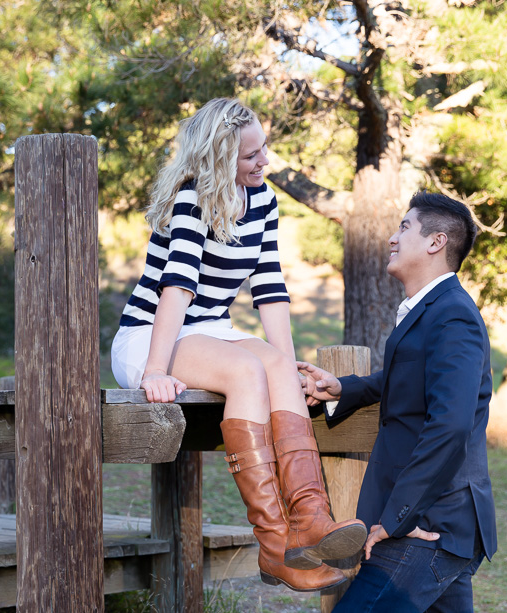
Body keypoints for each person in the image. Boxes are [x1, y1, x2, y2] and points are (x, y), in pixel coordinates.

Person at [110, 97, 367, 592]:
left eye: (264, 148)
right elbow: (177, 290)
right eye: (251, 155)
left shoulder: (263, 200)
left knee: (274, 364)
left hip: (209, 331)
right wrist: (155, 371)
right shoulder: (191, 199)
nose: (264, 160)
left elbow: (269, 286)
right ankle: (274, 546)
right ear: (219, 158)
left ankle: (310, 519)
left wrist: (291, 368)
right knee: (247, 372)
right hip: (152, 337)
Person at [299, 192, 498, 612]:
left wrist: (395, 519)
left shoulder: (453, 315)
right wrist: (344, 389)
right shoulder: (431, 310)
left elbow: (451, 424)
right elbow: (408, 381)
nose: (392, 238)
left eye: (404, 227)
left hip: (428, 526)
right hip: (434, 527)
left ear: (436, 242)